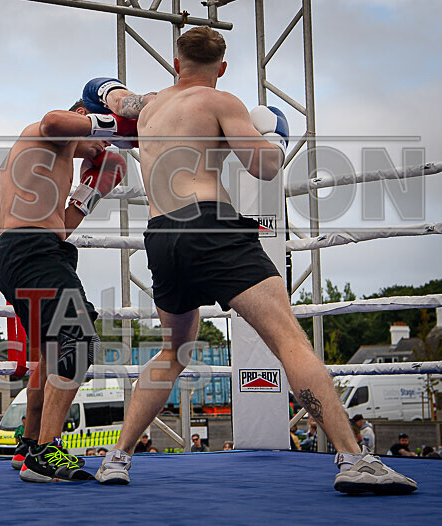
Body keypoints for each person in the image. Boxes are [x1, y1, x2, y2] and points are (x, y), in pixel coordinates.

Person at [87, 26, 417, 495]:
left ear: (176, 63)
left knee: (175, 350)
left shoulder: (150, 105)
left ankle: (116, 458)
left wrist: (107, 94)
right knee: (289, 341)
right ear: (221, 69)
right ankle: (353, 458)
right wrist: (273, 136)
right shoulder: (222, 102)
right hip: (211, 225)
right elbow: (261, 167)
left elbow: (105, 93)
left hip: (162, 236)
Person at [0, 100, 127, 483]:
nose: (102, 144)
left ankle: (30, 444)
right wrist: (109, 121)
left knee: (51, 351)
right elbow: (54, 120)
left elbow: (61, 227)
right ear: (81, 117)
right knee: (80, 341)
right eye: (96, 133)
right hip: (29, 250)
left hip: (32, 251)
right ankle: (47, 452)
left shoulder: (54, 159)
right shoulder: (44, 131)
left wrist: (91, 190)